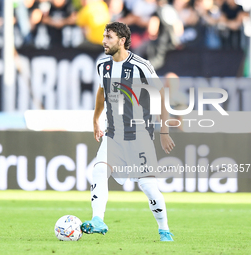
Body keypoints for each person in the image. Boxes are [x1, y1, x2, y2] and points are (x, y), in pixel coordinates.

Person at [80, 22, 175, 241]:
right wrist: (96, 120)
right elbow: (102, 92)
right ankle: (97, 220)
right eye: (104, 36)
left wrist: (163, 131)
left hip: (139, 135)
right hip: (112, 134)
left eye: (109, 37)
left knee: (148, 186)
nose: (104, 41)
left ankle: (164, 229)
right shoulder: (102, 65)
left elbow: (160, 95)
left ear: (122, 40)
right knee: (98, 171)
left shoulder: (141, 66)